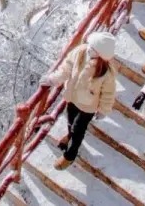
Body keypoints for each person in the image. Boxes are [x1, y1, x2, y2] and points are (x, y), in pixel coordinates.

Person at [42, 31, 119, 167]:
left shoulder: (106, 72)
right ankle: (69, 135)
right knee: (71, 120)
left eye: (94, 49)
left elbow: (108, 94)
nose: (89, 49)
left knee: (78, 129)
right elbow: (66, 68)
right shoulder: (80, 52)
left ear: (101, 55)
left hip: (88, 106)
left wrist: (103, 110)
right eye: (90, 45)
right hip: (72, 97)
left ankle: (70, 155)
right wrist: (53, 79)